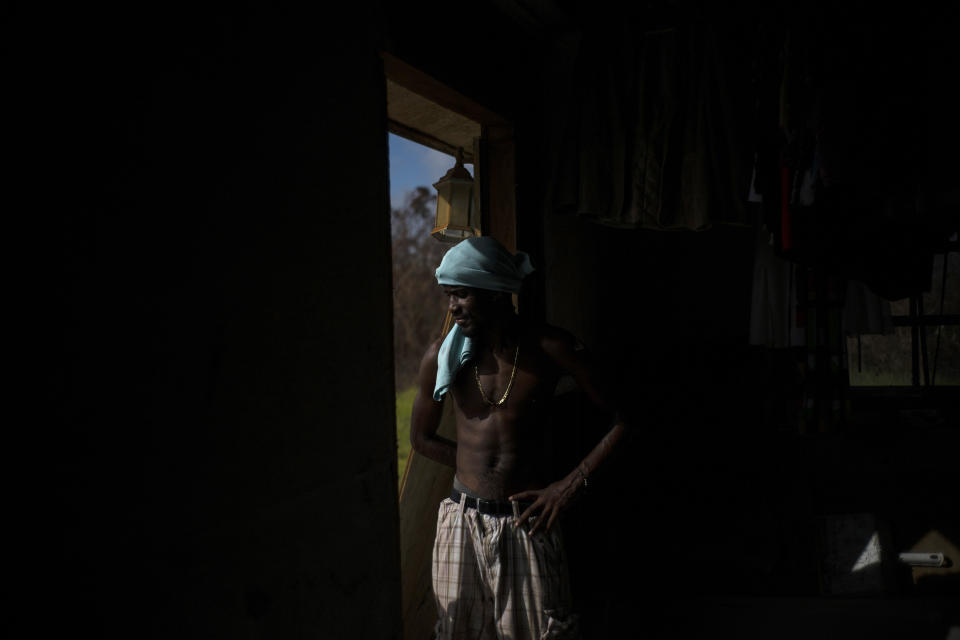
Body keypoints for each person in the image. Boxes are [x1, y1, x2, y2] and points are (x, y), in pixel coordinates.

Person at [410, 236, 629, 640]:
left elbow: (625, 417)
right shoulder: (443, 356)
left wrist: (567, 486)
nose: (453, 307)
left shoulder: (551, 348)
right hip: (461, 523)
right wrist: (475, 468)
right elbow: (421, 439)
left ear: (494, 293)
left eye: (461, 295)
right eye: (448, 296)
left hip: (527, 523)